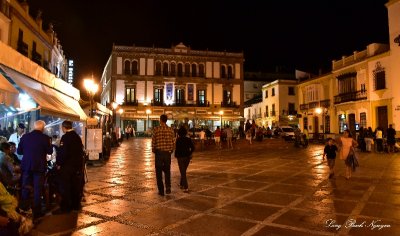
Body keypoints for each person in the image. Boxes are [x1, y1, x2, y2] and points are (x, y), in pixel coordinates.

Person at [17, 120, 53, 221]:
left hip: (27, 166)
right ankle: (37, 212)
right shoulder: (45, 138)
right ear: (43, 128)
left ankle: (24, 208)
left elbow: (19, 151)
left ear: (34, 127)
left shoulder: (25, 137)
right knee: (37, 189)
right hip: (39, 167)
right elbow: (50, 151)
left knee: (25, 187)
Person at [53, 120, 85, 215]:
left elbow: (63, 153)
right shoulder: (77, 137)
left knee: (65, 187)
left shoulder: (65, 137)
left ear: (64, 127)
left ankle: (66, 207)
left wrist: (58, 164)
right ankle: (76, 205)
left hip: (67, 167)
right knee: (75, 186)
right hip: (76, 167)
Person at [151, 114, 175, 196]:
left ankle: (161, 190)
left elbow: (153, 140)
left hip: (159, 153)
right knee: (167, 171)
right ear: (166, 120)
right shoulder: (171, 130)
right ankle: (168, 188)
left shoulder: (156, 129)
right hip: (167, 153)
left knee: (158, 172)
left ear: (160, 120)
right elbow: (173, 141)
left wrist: (153, 149)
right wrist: (171, 150)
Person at [174, 127, 195, 193]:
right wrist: (190, 153)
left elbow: (176, 149)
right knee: (183, 171)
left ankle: (186, 187)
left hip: (180, 157)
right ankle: (181, 184)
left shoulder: (178, 140)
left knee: (183, 172)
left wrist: (175, 155)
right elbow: (193, 148)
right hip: (187, 157)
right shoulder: (188, 139)